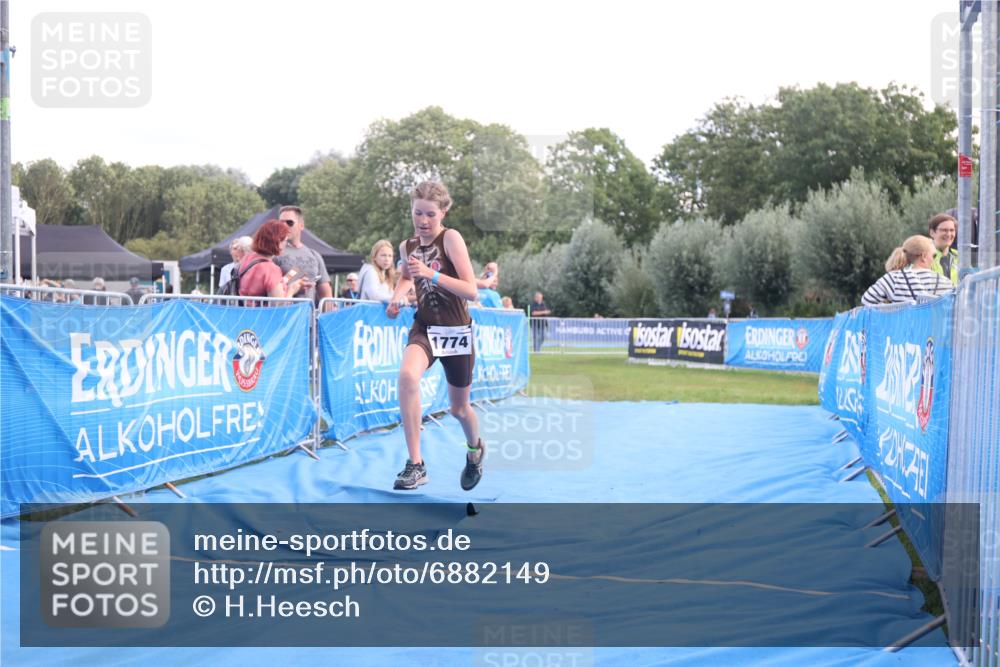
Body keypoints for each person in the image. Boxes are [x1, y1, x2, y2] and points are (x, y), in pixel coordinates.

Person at [386, 180, 484, 492]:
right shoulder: (407, 247)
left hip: (456, 331)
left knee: (459, 410)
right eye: (418, 213)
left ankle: (475, 451)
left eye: (430, 214)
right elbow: (405, 276)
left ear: (442, 212)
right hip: (425, 328)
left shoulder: (451, 238)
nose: (423, 221)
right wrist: (397, 296)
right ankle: (416, 464)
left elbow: (470, 289)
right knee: (406, 377)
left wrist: (433, 275)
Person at [861, 235, 955, 306]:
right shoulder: (945, 282)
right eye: (933, 256)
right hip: (934, 331)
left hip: (900, 331)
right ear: (924, 256)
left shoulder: (893, 278)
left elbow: (867, 300)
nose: (934, 260)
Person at [274, 206, 333, 305]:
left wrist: (328, 318)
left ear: (301, 225)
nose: (284, 226)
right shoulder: (274, 253)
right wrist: (292, 287)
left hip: (308, 316)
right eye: (281, 223)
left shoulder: (314, 255)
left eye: (289, 222)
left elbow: (326, 295)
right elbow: (267, 288)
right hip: (284, 315)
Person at [238, 219, 310, 301]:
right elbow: (279, 306)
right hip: (263, 313)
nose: (286, 244)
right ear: (277, 241)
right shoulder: (271, 269)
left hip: (243, 311)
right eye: (285, 240)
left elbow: (259, 285)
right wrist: (292, 290)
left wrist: (282, 282)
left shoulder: (247, 258)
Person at [928, 213, 959, 285]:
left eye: (952, 230)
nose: (948, 234)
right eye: (944, 230)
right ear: (932, 232)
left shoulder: (960, 257)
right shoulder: (924, 257)